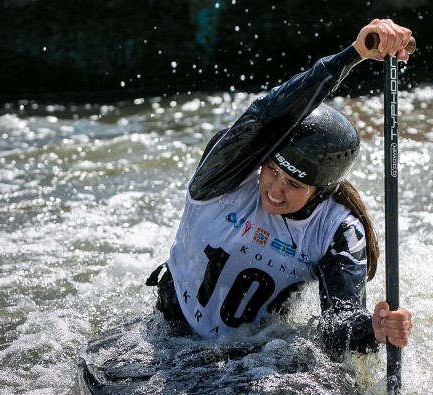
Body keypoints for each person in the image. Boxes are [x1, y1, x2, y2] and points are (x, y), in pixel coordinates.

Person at [146, 19, 414, 355]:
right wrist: (354, 55)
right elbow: (265, 113)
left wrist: (373, 329)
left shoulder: (337, 230)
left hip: (254, 355)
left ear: (322, 190)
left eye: (294, 184)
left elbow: (336, 328)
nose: (274, 189)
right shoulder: (223, 177)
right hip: (173, 332)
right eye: (272, 170)